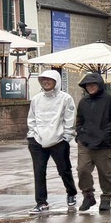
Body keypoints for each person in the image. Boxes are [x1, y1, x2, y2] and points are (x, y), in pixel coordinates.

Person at [25, 69, 78, 213]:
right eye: (43, 80)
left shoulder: (65, 98)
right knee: (39, 171)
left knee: (64, 169)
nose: (46, 82)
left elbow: (69, 119)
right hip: (37, 140)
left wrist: (66, 137)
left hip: (59, 140)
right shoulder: (36, 99)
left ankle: (71, 192)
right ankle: (41, 202)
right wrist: (32, 136)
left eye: (49, 79)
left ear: (56, 82)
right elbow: (32, 118)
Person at [75, 72, 111, 214]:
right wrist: (80, 134)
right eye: (87, 85)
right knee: (82, 170)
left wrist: (103, 134)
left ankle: (106, 198)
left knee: (105, 172)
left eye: (92, 84)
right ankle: (88, 195)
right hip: (85, 143)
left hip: (104, 144)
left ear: (99, 85)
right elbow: (79, 120)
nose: (90, 87)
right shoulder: (84, 102)